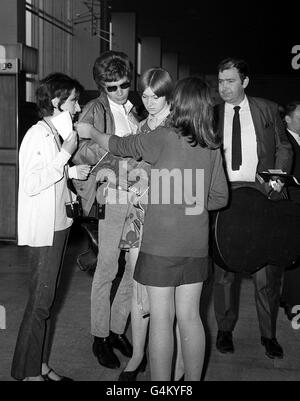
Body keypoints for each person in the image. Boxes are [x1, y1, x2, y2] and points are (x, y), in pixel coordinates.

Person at [77, 76, 229, 381]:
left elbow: (119, 145)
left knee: (161, 319)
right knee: (190, 318)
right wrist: (187, 200)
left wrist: (91, 131)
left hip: (160, 244)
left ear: (177, 104)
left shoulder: (161, 137)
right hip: (196, 245)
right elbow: (219, 197)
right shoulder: (211, 145)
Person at [11, 73, 90, 381]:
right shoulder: (37, 134)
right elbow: (31, 183)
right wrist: (65, 157)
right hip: (44, 230)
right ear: (58, 102)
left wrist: (69, 170)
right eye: (73, 100)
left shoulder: (52, 134)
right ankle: (29, 373)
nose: (77, 107)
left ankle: (39, 365)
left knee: (47, 301)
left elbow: (51, 171)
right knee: (40, 303)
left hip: (58, 225)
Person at [213, 57, 293, 360]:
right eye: (220, 81)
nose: (224, 87)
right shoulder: (212, 114)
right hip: (226, 198)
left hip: (261, 196)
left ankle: (268, 334)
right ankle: (224, 329)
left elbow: (284, 146)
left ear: (245, 82)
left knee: (266, 274)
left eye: (230, 81)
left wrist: (278, 178)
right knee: (224, 273)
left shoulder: (268, 109)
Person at [72, 51, 139, 369]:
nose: (120, 92)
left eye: (125, 84)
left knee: (132, 270)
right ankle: (100, 337)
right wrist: (111, 146)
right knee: (108, 268)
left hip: (137, 196)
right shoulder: (94, 109)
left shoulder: (132, 109)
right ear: (101, 86)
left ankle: (115, 329)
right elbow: (77, 151)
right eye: (112, 87)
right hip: (111, 195)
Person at [117, 67, 183, 381]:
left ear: (169, 95)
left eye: (156, 95)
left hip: (172, 219)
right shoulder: (140, 127)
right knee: (136, 286)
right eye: (145, 95)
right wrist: (129, 178)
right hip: (139, 213)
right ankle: (138, 356)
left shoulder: (182, 128)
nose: (150, 100)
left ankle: (177, 366)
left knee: (170, 295)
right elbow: (124, 168)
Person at [280, 101, 300, 321]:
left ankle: (287, 299)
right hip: (292, 205)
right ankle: (294, 304)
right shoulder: (284, 142)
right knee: (296, 257)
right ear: (288, 118)